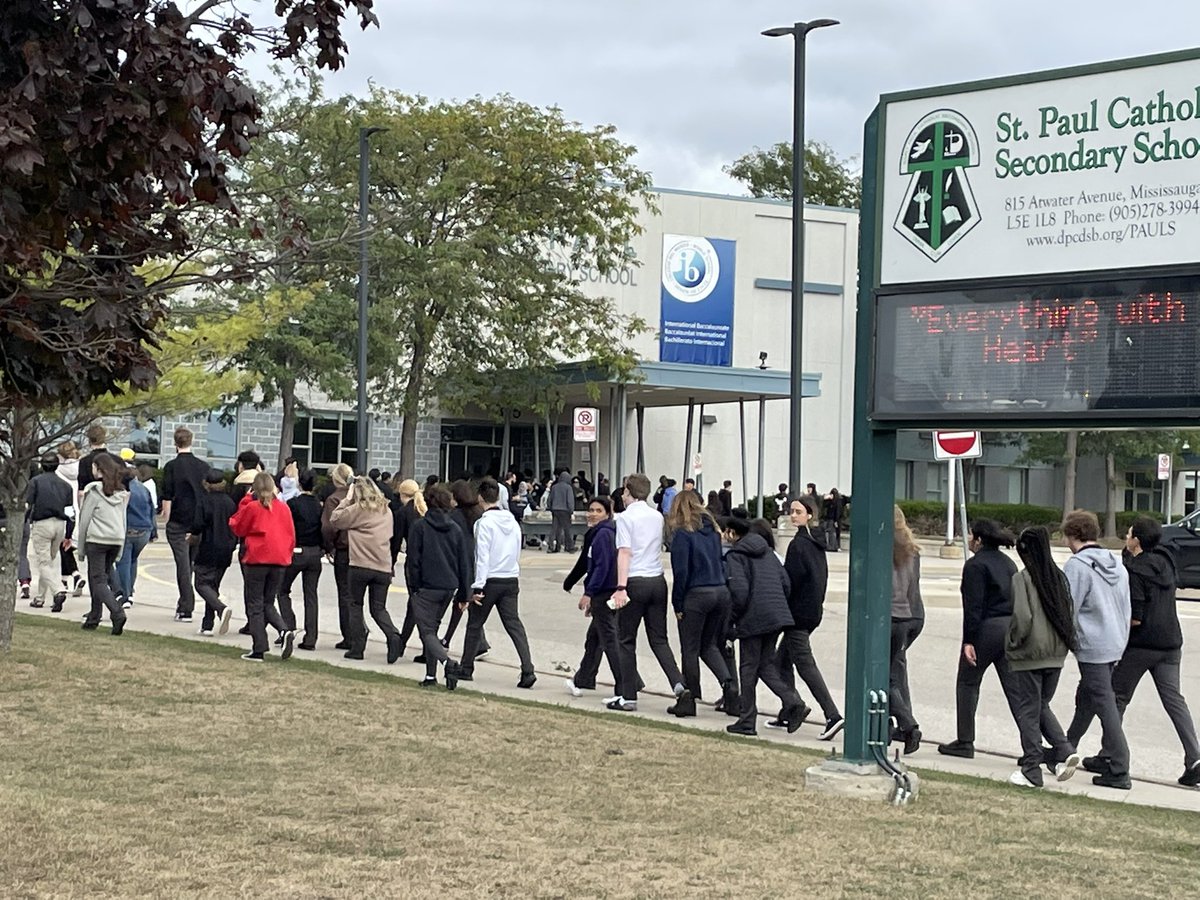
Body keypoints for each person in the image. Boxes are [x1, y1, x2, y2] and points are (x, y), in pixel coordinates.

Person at [1116, 516, 1200, 787]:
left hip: (1143, 643)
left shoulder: (1137, 571)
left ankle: (1111, 755)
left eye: (1128, 534)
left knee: (1116, 697)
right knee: (1174, 700)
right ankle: (1194, 757)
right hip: (1171, 642)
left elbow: (1136, 617)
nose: (1126, 538)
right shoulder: (1166, 563)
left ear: (1136, 541)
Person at [1005, 526, 1081, 788]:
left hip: (1029, 654)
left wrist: (1013, 641)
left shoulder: (1023, 579)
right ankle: (1063, 748)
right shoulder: (1058, 577)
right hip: (1056, 654)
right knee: (1041, 705)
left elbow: (1022, 617)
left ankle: (1031, 768)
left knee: (1028, 710)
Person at [1061, 509, 1132, 790]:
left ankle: (1119, 766)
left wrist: (1066, 637)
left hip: (1092, 643)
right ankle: (1066, 745)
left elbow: (1069, 607)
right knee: (1088, 697)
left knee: (1103, 701)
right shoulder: (1115, 563)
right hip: (1115, 640)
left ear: (1073, 535)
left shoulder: (1077, 566)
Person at [938, 519, 1019, 759]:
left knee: (968, 683)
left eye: (971, 535)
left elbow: (973, 607)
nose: (970, 540)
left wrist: (968, 641)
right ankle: (1031, 744)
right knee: (1015, 690)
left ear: (979, 540)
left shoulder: (975, 566)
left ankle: (965, 740)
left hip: (987, 628)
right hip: (1010, 627)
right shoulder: (1009, 564)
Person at [609, 473, 686, 712]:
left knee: (626, 639)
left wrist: (620, 587)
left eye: (624, 491)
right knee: (659, 639)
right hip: (657, 580)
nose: (622, 495)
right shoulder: (656, 517)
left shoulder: (624, 518)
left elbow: (624, 552)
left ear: (628, 491)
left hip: (634, 579)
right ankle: (679, 684)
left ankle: (628, 695)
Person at [723, 516, 804, 736]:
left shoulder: (736, 556)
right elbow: (785, 583)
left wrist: (731, 620)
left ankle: (747, 720)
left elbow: (738, 592)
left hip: (753, 617)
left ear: (733, 534)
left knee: (748, 669)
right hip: (776, 616)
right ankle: (793, 701)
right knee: (765, 665)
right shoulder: (769, 553)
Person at [774, 494, 843, 740]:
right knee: (780, 662)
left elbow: (791, 581)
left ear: (810, 515)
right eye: (791, 511)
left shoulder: (800, 545)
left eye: (798, 512)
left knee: (804, 665)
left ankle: (832, 714)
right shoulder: (815, 545)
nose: (793, 515)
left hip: (798, 615)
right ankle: (789, 709)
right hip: (810, 612)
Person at [459, 478, 536, 688]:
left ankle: (466, 668)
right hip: (510, 578)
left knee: (475, 624)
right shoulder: (511, 521)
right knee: (514, 625)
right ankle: (527, 668)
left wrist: (478, 585)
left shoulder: (483, 523)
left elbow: (481, 556)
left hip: (490, 579)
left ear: (480, 498)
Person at [666, 489, 735, 718]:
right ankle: (730, 687)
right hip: (720, 592)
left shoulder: (682, 536)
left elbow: (681, 573)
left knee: (690, 649)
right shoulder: (713, 533)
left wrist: (677, 605)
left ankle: (690, 698)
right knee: (710, 645)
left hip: (696, 594)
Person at [562, 496, 631, 700]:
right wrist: (571, 581)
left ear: (607, 513)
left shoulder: (603, 535)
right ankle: (585, 677)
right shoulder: (603, 532)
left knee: (610, 639)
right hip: (608, 591)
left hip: (604, 593)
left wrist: (589, 593)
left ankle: (626, 683)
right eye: (590, 509)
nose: (592, 514)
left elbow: (601, 567)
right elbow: (586, 562)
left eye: (598, 510)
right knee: (595, 638)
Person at [405, 483, 471, 689]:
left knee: (426, 631)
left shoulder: (420, 527)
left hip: (426, 585)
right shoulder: (455, 529)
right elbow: (463, 562)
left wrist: (414, 586)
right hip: (449, 586)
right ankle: (431, 675)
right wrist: (464, 592)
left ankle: (447, 663)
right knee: (433, 628)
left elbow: (413, 560)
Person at [331, 476, 401, 663]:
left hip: (360, 565)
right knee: (378, 608)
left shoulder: (358, 509)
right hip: (383, 566)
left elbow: (335, 519)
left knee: (355, 605)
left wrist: (346, 500)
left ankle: (357, 647)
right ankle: (393, 634)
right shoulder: (386, 510)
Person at [229, 471, 296, 662]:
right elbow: (291, 534)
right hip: (279, 559)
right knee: (268, 602)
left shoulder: (252, 507)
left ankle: (259, 647)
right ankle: (284, 630)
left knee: (255, 604)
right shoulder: (283, 508)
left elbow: (238, 527)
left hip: (257, 558)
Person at [161, 426, 210, 623]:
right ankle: (187, 603)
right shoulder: (203, 467)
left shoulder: (171, 467)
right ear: (192, 441)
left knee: (182, 565)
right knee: (192, 563)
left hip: (179, 520)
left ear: (175, 443)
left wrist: (167, 517)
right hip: (198, 520)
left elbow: (167, 495)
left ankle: (186, 606)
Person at [77, 453, 129, 635]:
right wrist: (121, 545)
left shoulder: (93, 491)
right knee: (99, 578)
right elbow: (123, 520)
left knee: (98, 580)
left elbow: (84, 520)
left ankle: (117, 612)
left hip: (97, 540)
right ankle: (94, 616)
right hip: (115, 539)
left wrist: (81, 547)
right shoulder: (120, 492)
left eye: (93, 467)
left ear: (99, 470)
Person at [890, 505, 924, 755]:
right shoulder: (912, 550)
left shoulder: (882, 546)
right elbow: (913, 588)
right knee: (896, 670)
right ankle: (904, 720)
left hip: (887, 616)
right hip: (907, 615)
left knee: (884, 675)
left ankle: (907, 723)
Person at [278, 469, 324, 651]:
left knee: (282, 590)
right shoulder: (318, 505)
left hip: (297, 550)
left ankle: (288, 626)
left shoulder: (293, 504)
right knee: (311, 595)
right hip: (315, 552)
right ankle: (311, 636)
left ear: (299, 484)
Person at [190, 469, 236, 637]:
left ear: (207, 484)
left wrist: (192, 536)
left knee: (201, 583)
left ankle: (221, 609)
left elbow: (197, 524)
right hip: (227, 547)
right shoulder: (230, 503)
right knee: (213, 585)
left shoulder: (204, 501)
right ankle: (207, 624)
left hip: (209, 546)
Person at [24, 452, 73, 611]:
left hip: (42, 523)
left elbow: (28, 505)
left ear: (42, 465)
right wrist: (69, 535)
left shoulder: (35, 482)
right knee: (50, 562)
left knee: (43, 562)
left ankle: (58, 590)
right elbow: (71, 512)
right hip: (60, 524)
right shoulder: (66, 486)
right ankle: (40, 598)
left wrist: (25, 522)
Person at [321, 463, 356, 650]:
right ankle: (358, 631)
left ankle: (349, 635)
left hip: (343, 549)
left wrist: (329, 546)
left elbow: (329, 527)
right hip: (361, 549)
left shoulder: (334, 500)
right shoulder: (360, 497)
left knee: (344, 594)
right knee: (356, 595)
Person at [392, 478, 427, 659]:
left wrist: (390, 564)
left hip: (413, 562)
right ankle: (426, 646)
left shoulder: (403, 513)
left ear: (402, 495)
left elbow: (396, 542)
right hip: (429, 562)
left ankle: (402, 642)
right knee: (423, 604)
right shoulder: (424, 510)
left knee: (413, 604)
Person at [115, 461, 156, 610]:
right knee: (133, 560)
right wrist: (153, 532)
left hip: (128, 528)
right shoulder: (144, 489)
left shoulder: (122, 490)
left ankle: (124, 595)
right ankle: (130, 591)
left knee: (122, 562)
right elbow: (151, 510)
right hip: (144, 529)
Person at [56, 441, 86, 598]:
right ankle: (65, 579)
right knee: (67, 547)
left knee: (64, 546)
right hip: (78, 510)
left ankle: (74, 575)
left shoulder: (58, 470)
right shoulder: (81, 468)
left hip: (63, 509)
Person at [547, 469, 576, 553]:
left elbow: (550, 499)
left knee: (555, 529)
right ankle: (569, 547)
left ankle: (552, 547)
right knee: (567, 529)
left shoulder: (555, 487)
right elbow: (570, 501)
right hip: (565, 510)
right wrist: (571, 511)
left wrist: (551, 508)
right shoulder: (568, 487)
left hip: (555, 509)